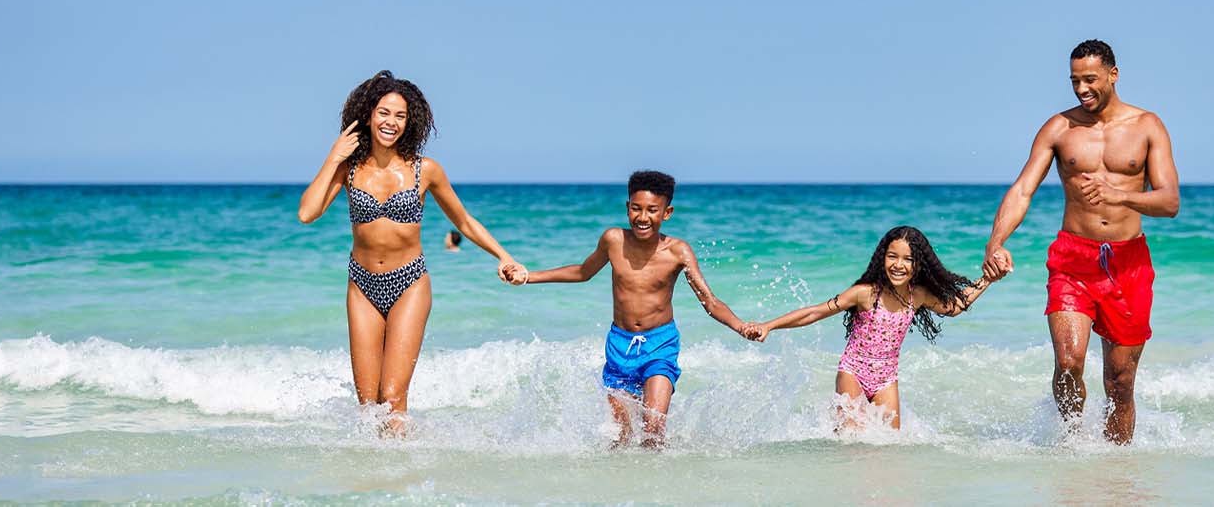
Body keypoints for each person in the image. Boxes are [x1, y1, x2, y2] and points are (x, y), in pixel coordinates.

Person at [296, 70, 528, 436]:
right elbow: (307, 213)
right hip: (362, 285)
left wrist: (504, 256)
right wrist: (333, 156)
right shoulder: (349, 169)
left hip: (409, 283)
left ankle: (402, 463)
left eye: (400, 116)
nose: (391, 122)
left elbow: (464, 221)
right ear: (368, 115)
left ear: (410, 122)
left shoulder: (425, 170)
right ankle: (375, 469)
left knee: (392, 397)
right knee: (368, 405)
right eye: (384, 113)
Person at [981, 40, 1181, 444]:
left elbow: (1169, 201)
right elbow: (1023, 189)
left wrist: (1119, 195)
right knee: (1069, 362)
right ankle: (1070, 446)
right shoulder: (1059, 128)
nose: (1081, 89)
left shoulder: (1147, 126)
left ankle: (1115, 469)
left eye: (1090, 79)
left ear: (1113, 74)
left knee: (1120, 382)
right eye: (1074, 80)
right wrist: (996, 242)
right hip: (1073, 258)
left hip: (1128, 263)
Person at [516, 170, 750, 449]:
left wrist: (740, 325)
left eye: (652, 210)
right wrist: (528, 276)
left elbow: (709, 301)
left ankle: (663, 474)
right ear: (627, 207)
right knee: (621, 438)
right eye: (636, 208)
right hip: (619, 346)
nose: (642, 217)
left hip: (660, 345)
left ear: (667, 213)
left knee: (653, 430)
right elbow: (582, 272)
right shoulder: (613, 240)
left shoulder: (678, 252)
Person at [741, 226, 1005, 430]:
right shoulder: (865, 293)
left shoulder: (918, 296)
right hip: (853, 372)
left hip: (886, 379)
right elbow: (815, 312)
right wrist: (769, 325)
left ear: (918, 265)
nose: (898, 265)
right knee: (852, 439)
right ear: (882, 258)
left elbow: (955, 307)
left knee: (889, 446)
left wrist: (988, 279)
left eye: (908, 259)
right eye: (892, 256)